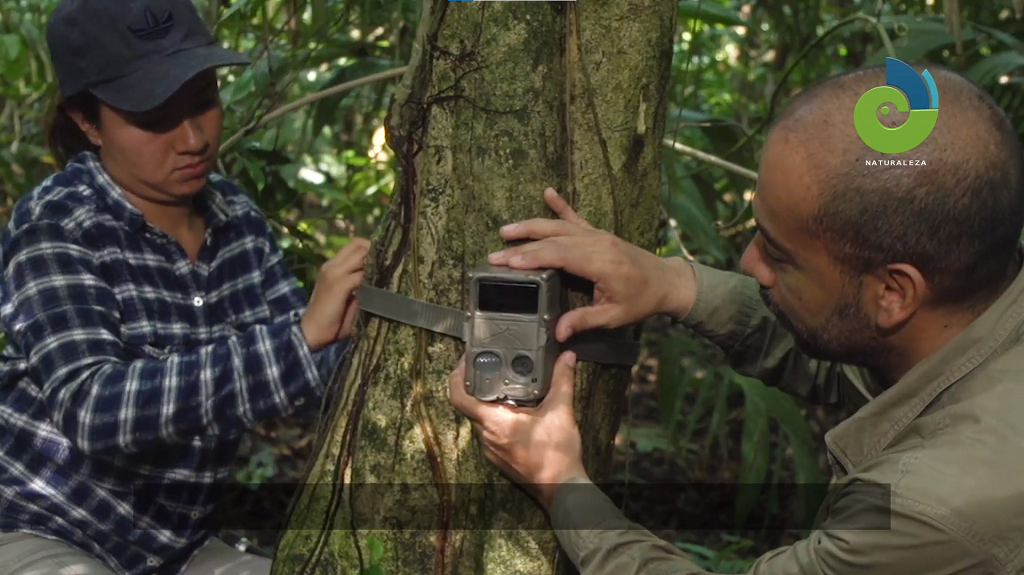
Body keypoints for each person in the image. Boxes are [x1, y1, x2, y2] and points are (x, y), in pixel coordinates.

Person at [448, 63, 1024, 574]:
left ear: (894, 292)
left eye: (778, 254)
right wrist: (672, 282)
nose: (748, 261)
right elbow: (855, 362)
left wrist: (560, 484)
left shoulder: (936, 509)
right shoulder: (973, 316)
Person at [0, 0, 368, 574]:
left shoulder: (237, 219)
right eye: (154, 118)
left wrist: (360, 328)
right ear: (86, 120)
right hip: (39, 526)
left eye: (204, 103)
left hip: (175, 548)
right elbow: (94, 409)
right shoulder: (55, 224)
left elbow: (311, 371)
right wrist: (300, 341)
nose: (194, 138)